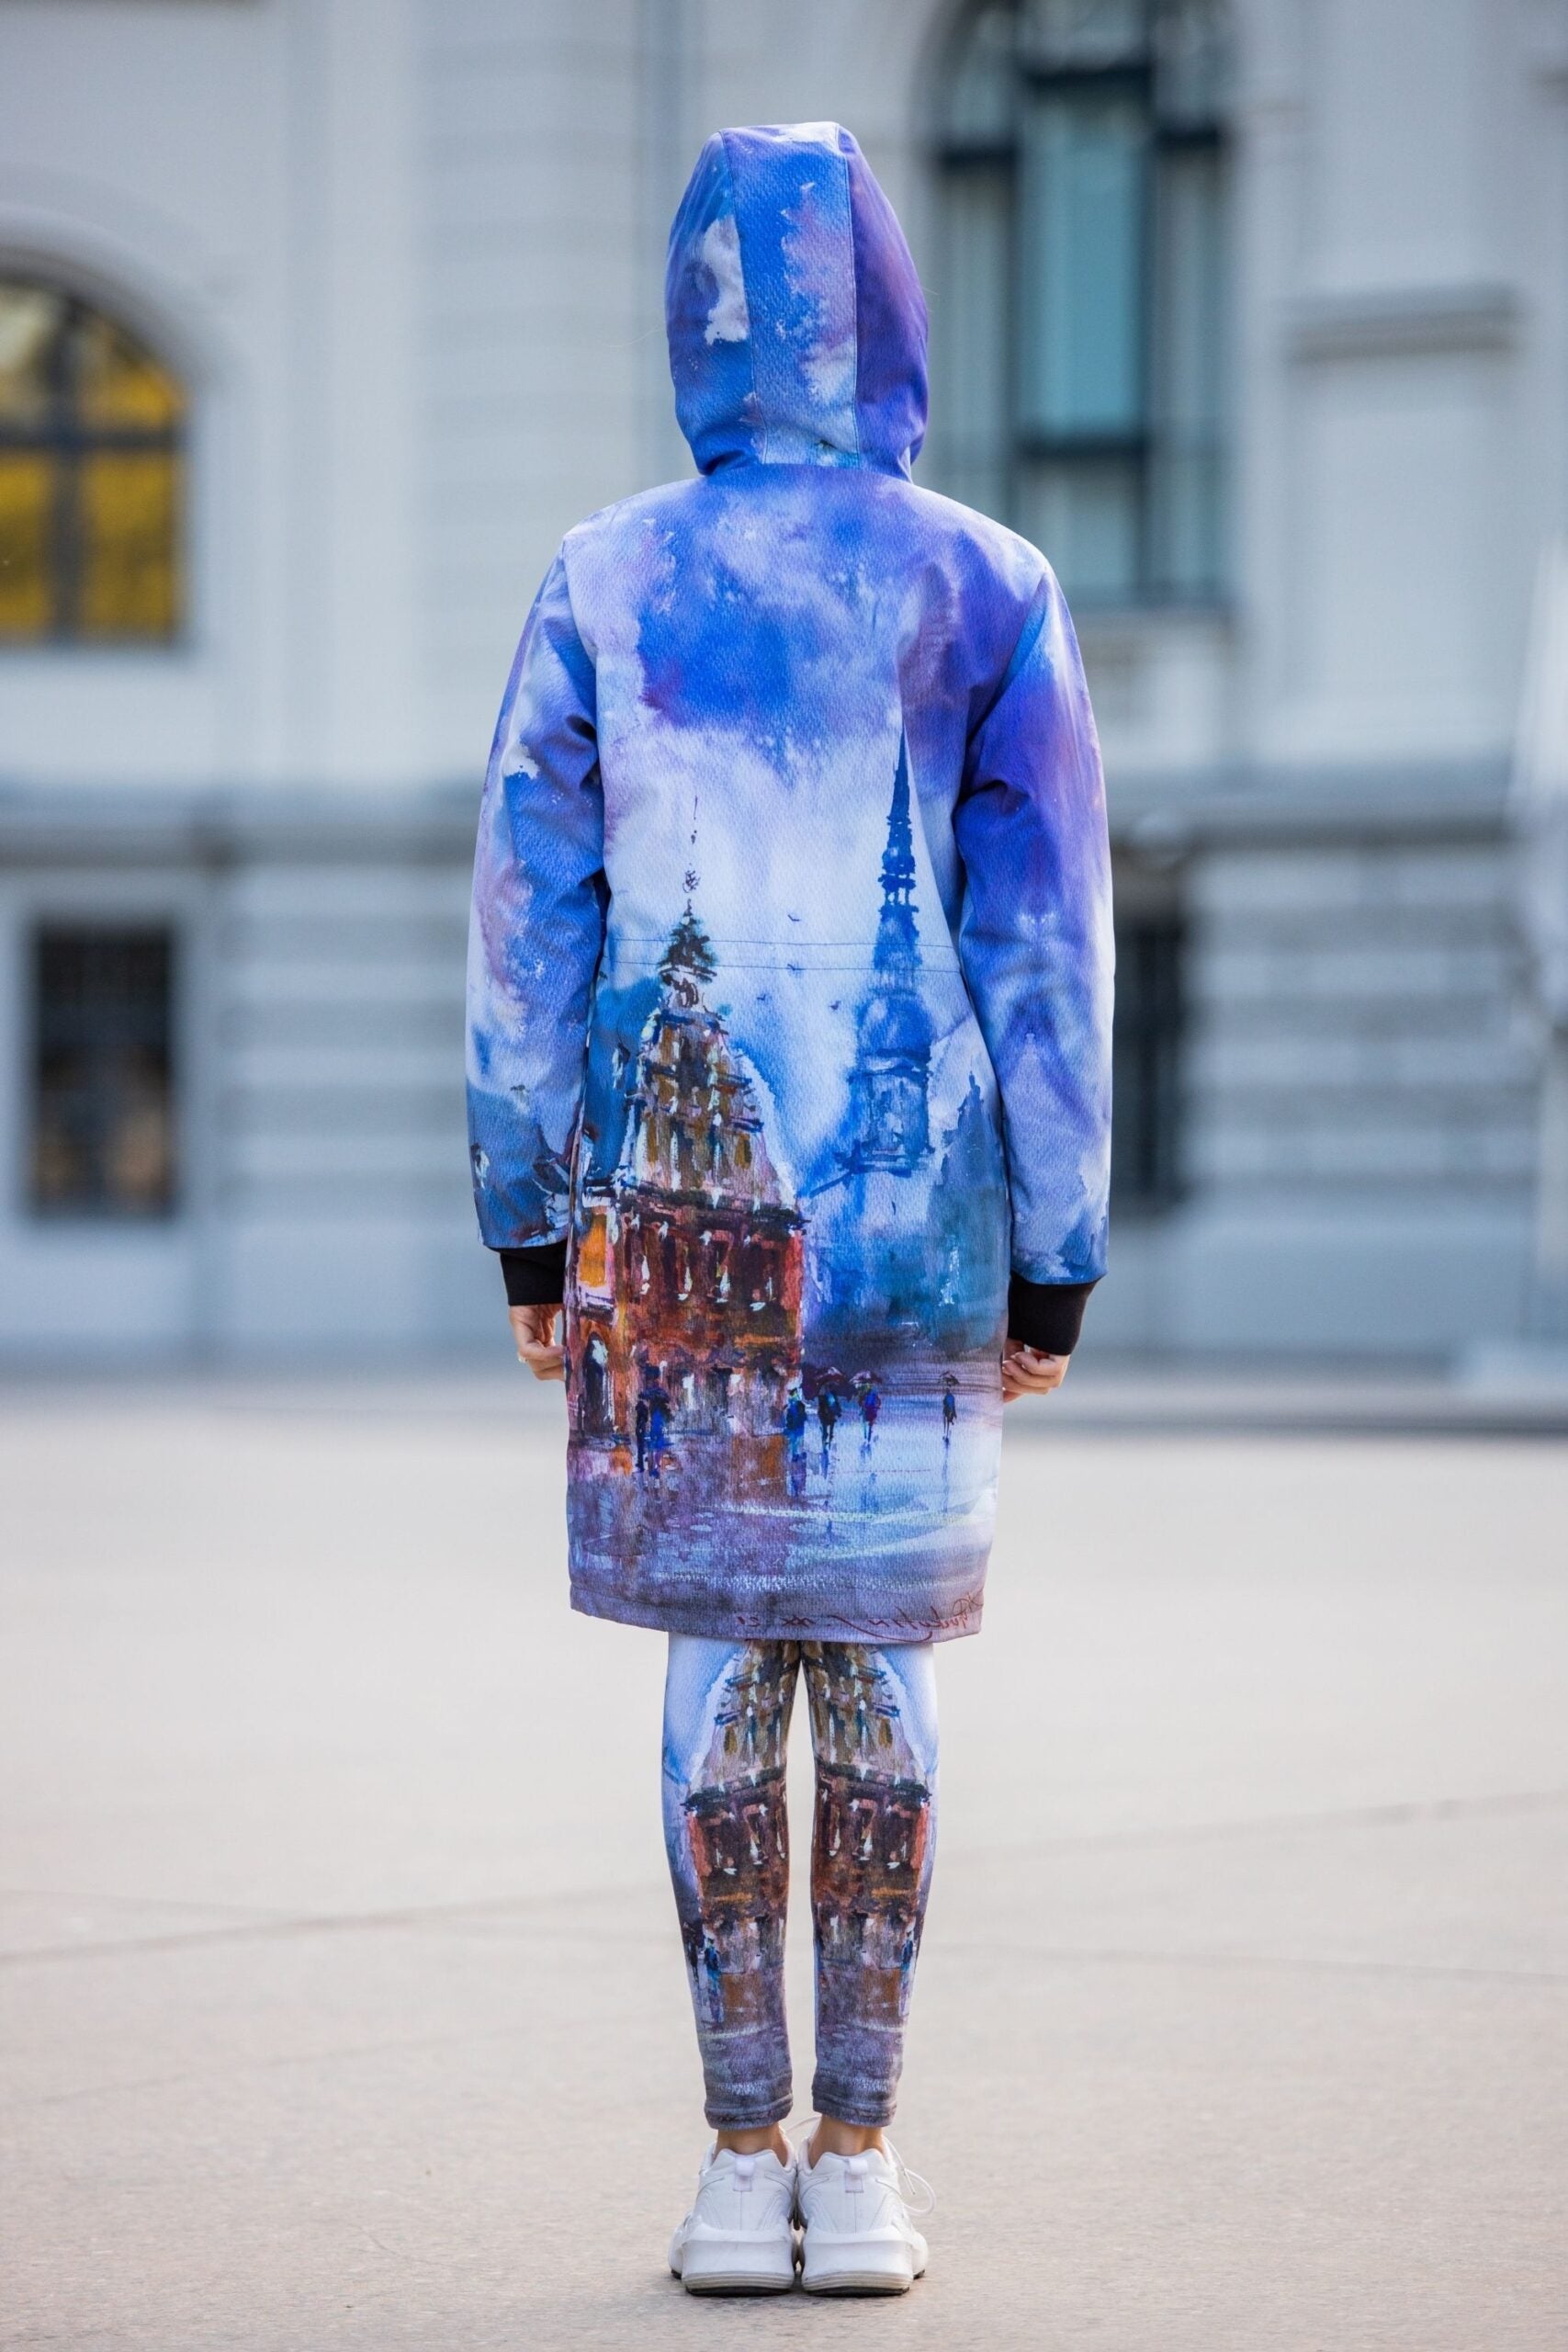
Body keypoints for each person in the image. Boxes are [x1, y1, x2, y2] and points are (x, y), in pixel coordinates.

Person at [468, 123, 1111, 2298]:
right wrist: (1054, 1253)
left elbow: (524, 930)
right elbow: (1046, 947)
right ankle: (864, 2152)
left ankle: (735, 2158)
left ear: (695, 323)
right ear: (896, 317)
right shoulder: (990, 586)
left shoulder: (598, 578)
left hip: (664, 1238)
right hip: (919, 1236)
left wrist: (529, 1225)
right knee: (888, 1688)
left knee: (716, 1679)